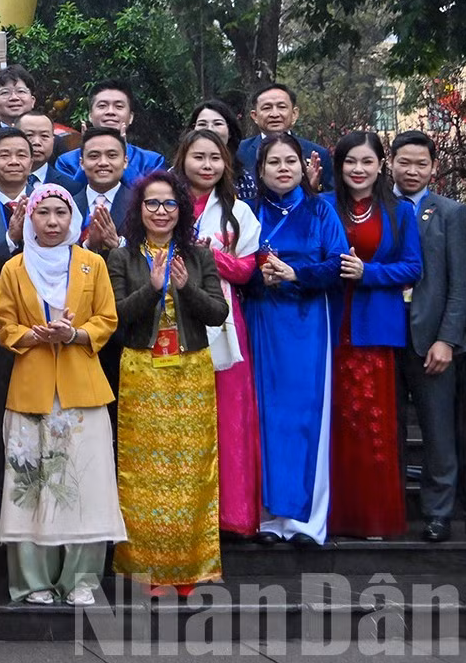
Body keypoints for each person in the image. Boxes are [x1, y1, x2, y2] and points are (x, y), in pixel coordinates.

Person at [0, 184, 124, 606]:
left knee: (85, 485)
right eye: (43, 213)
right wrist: (31, 334)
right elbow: (2, 325)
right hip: (30, 387)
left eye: (60, 214)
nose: (52, 222)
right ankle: (33, 582)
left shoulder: (92, 265)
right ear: (29, 218)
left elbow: (107, 317)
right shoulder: (14, 268)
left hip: (82, 388)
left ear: (73, 219)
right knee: (30, 487)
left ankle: (82, 581)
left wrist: (76, 333)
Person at [109, 172, 229, 591]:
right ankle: (145, 570)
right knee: (143, 474)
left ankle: (189, 569)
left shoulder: (198, 257)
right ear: (138, 210)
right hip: (142, 373)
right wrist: (153, 288)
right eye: (152, 204)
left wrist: (185, 287)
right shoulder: (122, 258)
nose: (160, 212)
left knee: (190, 472)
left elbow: (218, 313)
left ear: (182, 209)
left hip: (190, 372)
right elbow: (116, 318)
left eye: (169, 204)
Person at [242, 133, 347, 547]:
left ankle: (307, 522)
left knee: (307, 415)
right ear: (261, 170)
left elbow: (338, 264)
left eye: (291, 161)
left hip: (307, 321)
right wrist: (258, 276)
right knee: (265, 416)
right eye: (274, 162)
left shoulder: (322, 210)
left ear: (304, 167)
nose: (283, 168)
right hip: (263, 318)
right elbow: (234, 267)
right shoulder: (247, 212)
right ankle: (268, 518)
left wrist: (297, 274)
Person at [325, 130, 422, 540]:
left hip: (375, 328)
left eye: (366, 162)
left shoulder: (398, 212)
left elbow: (412, 267)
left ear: (381, 165)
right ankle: (332, 517)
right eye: (350, 162)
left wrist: (371, 273)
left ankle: (373, 519)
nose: (358, 170)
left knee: (373, 424)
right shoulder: (324, 206)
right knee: (334, 423)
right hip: (329, 325)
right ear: (339, 166)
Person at [176, 128, 263, 539]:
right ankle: (186, 512)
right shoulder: (165, 205)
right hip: (173, 317)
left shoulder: (238, 211)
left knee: (229, 414)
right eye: (198, 157)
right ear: (182, 160)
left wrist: (208, 257)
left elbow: (247, 269)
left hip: (225, 317)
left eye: (214, 158)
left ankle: (231, 513)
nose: (207, 165)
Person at [388, 130, 466, 542]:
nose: (413, 170)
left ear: (434, 167)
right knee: (388, 428)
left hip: (432, 341)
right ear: (391, 163)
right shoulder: (378, 207)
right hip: (383, 337)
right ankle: (392, 508)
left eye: (422, 163)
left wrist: (448, 339)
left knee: (438, 430)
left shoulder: (451, 213)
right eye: (405, 162)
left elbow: (460, 283)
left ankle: (438, 512)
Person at [53, 82, 167, 189]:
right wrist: (86, 152)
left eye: (118, 106)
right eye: (102, 106)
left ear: (131, 117)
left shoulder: (153, 161)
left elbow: (150, 200)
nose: (110, 112)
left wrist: (121, 153)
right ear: (90, 116)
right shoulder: (66, 162)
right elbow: (67, 198)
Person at [240, 83, 332, 194]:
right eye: (267, 108)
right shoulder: (239, 152)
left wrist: (310, 189)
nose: (274, 114)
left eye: (282, 107)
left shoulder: (318, 154)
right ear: (255, 116)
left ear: (294, 114)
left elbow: (331, 199)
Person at [0, 128, 38, 265]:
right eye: (4, 156)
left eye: (21, 155)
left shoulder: (47, 203)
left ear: (31, 164)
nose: (14, 161)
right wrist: (10, 239)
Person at [73, 128, 133, 255]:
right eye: (94, 156)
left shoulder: (140, 204)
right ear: (82, 163)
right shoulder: (68, 204)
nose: (103, 163)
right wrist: (88, 246)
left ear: (125, 162)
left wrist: (118, 244)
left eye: (112, 156)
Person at [0, 67, 41, 143]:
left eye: (21, 91)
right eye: (5, 92)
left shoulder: (51, 141)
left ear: (32, 101)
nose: (14, 97)